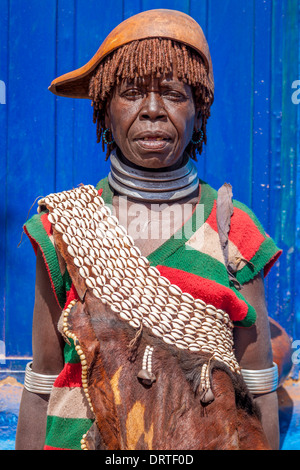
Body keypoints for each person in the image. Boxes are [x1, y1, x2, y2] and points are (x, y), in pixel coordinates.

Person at [16, 9, 282, 450]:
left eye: (174, 94)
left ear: (199, 110)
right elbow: (41, 382)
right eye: (132, 93)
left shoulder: (234, 229)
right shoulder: (61, 226)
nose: (154, 111)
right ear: (104, 109)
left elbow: (257, 387)